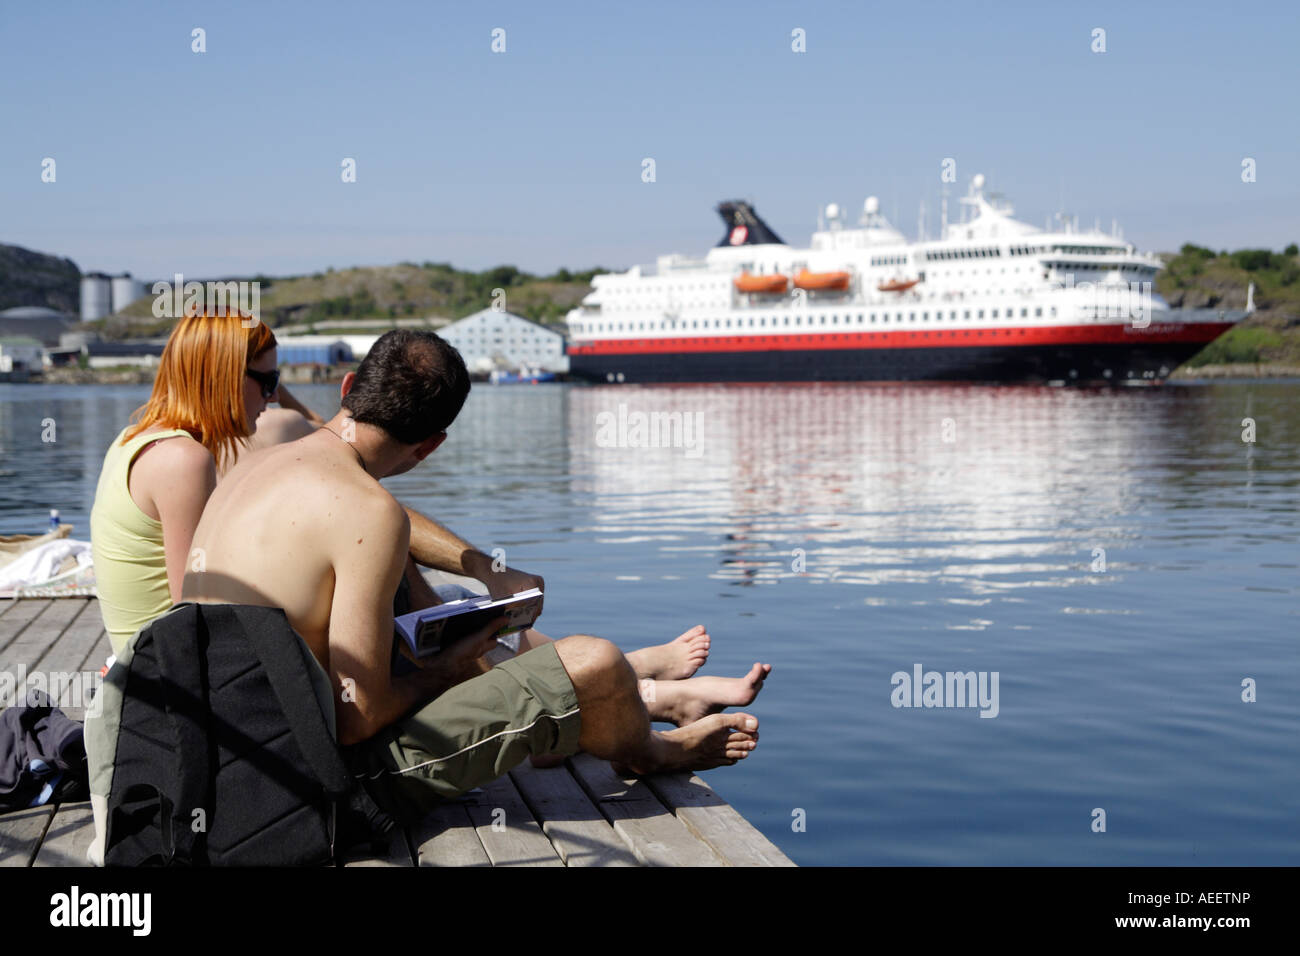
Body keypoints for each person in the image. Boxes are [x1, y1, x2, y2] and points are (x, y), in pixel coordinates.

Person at [181, 329, 767, 823]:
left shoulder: (255, 466)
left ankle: (620, 711)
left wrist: (486, 571)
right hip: (316, 782)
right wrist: (450, 669)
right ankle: (653, 754)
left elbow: (373, 515)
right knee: (594, 662)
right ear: (432, 446)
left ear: (348, 389)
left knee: (448, 617)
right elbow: (355, 716)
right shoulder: (366, 511)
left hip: (220, 746)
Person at [89, 310, 279, 656]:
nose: (274, 397)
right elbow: (192, 611)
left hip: (142, 661)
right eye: (269, 382)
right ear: (227, 378)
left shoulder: (131, 439)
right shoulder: (182, 460)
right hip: (166, 677)